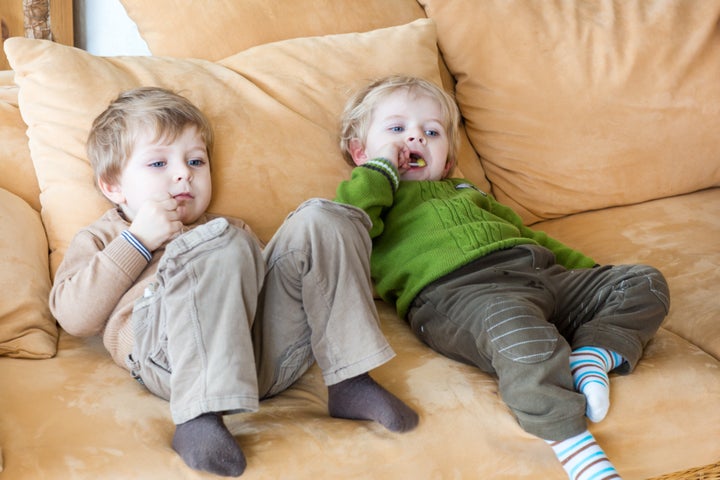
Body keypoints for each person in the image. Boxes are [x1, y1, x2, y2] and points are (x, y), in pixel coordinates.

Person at [49, 86, 418, 478]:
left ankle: (350, 379)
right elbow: (73, 317)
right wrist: (137, 241)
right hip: (170, 359)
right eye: (158, 164)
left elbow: (272, 292)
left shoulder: (230, 230)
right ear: (113, 185)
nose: (182, 174)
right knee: (221, 242)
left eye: (195, 161)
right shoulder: (105, 237)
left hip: (259, 359)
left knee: (323, 217)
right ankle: (199, 417)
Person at [334, 75, 670, 480]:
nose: (416, 138)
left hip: (541, 275)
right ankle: (577, 450)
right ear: (360, 152)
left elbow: (530, 236)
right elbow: (350, 222)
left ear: (448, 159)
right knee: (518, 334)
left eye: (431, 131)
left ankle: (592, 355)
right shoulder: (372, 201)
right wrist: (381, 167)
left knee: (643, 281)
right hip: (461, 296)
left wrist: (592, 280)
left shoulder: (465, 190)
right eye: (396, 129)